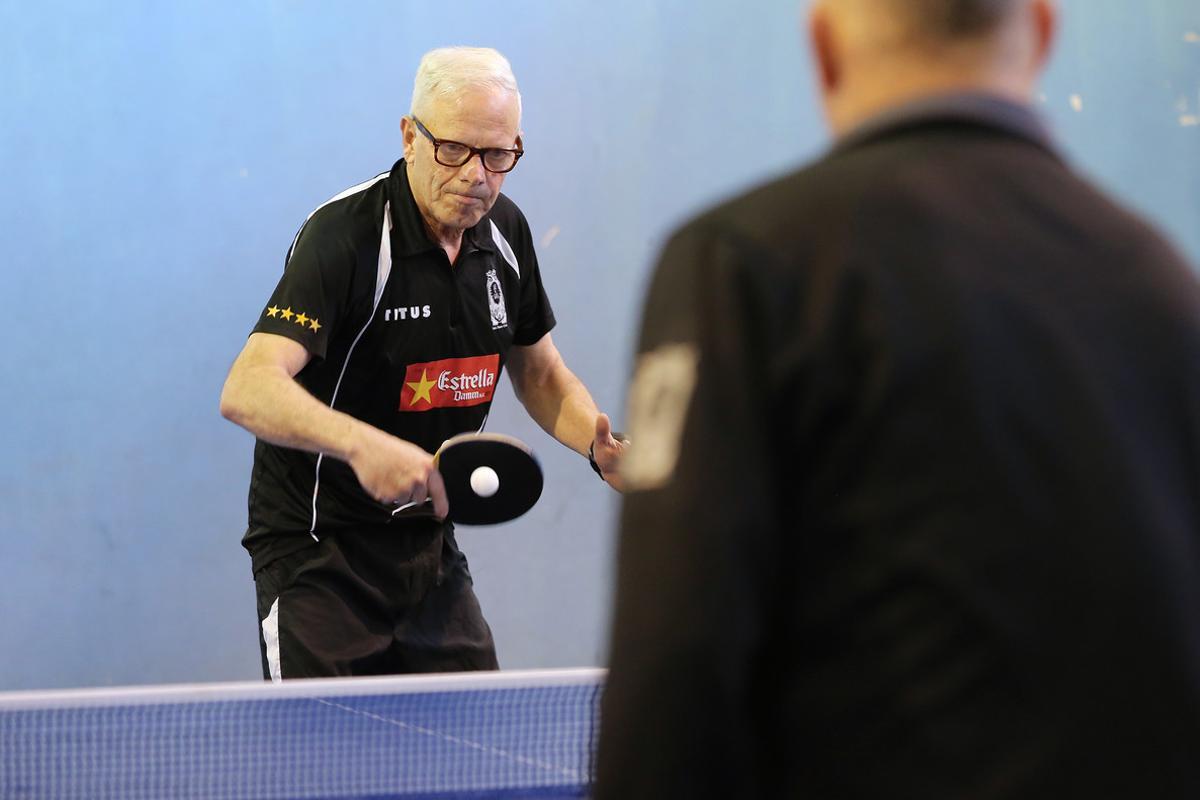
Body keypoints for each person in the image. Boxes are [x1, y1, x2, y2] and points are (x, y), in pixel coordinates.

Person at [596, 1, 1200, 797]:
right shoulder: (1161, 282)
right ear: (1044, 35)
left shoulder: (740, 264)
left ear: (825, 48)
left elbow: (675, 660)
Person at [219, 47, 625, 681]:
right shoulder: (346, 236)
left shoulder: (506, 235)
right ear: (410, 136)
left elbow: (541, 374)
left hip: (428, 547)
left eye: (499, 156)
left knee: (474, 760)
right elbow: (247, 387)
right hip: (318, 555)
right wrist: (361, 446)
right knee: (320, 769)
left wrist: (599, 446)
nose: (478, 176)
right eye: (455, 150)